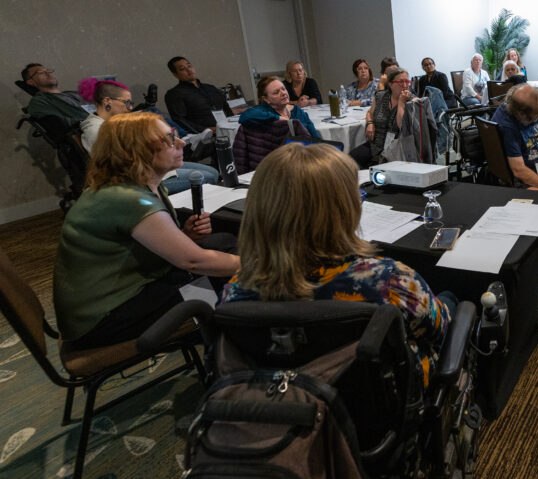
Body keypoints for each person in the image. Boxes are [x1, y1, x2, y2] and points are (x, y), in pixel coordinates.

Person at [220, 143, 451, 387]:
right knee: (450, 300)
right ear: (344, 210)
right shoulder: (389, 280)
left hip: (280, 402)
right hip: (381, 397)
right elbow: (439, 329)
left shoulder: (236, 288)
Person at [52, 112, 239, 350]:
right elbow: (192, 261)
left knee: (222, 243)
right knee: (229, 283)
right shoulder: (125, 198)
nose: (181, 143)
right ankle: (233, 354)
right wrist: (262, 266)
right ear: (135, 150)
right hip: (103, 319)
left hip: (116, 296)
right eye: (170, 139)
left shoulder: (137, 187)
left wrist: (185, 236)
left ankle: (230, 345)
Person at [78, 79, 220, 191]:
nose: (130, 107)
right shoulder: (95, 130)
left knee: (213, 171)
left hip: (151, 168)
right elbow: (121, 167)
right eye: (126, 102)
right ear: (107, 101)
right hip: (139, 181)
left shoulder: (112, 123)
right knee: (209, 177)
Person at [351, 68, 415, 168]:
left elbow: (403, 127)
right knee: (352, 158)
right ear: (390, 84)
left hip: (397, 147)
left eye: (407, 81)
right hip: (376, 144)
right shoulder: (380, 96)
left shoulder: (412, 101)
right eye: (400, 82)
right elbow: (369, 112)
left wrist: (401, 103)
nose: (405, 85)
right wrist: (370, 123)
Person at [164, 56, 232, 133]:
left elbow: (227, 109)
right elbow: (181, 121)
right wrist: (209, 130)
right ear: (175, 75)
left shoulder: (210, 88)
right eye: (182, 69)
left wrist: (233, 124)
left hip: (229, 129)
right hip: (205, 137)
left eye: (189, 66)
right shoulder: (174, 94)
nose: (189, 70)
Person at [21, 63, 89, 131]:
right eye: (41, 73)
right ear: (31, 81)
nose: (48, 74)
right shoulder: (38, 102)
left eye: (48, 71)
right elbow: (66, 124)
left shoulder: (72, 94)